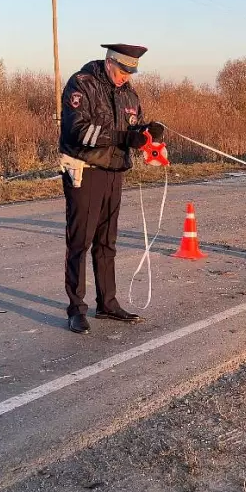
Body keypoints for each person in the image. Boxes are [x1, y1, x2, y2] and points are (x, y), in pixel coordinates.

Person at [58, 43, 165, 334]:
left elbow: (130, 128)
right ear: (109, 63)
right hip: (85, 170)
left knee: (107, 241)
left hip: (114, 171)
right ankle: (76, 308)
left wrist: (147, 131)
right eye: (122, 71)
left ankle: (107, 303)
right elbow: (78, 131)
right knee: (80, 241)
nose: (125, 77)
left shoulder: (129, 93)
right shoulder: (82, 84)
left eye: (130, 73)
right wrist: (122, 137)